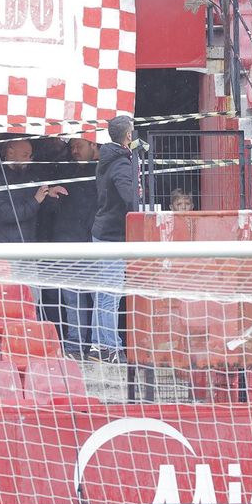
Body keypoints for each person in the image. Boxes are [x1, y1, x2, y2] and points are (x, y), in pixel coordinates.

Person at [37, 134, 99, 355]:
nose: (74, 151)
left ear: (93, 145)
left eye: (79, 146)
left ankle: (95, 343)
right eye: (72, 147)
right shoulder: (65, 172)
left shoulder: (103, 172)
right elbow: (51, 211)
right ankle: (75, 342)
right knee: (71, 297)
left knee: (97, 296)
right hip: (67, 242)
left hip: (93, 243)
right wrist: (52, 196)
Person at [89, 115, 140, 362]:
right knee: (111, 295)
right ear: (128, 136)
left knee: (103, 293)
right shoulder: (121, 164)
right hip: (112, 235)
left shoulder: (109, 159)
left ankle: (99, 345)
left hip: (103, 232)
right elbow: (129, 197)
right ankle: (110, 348)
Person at [0, 139, 64, 244]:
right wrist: (35, 200)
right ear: (10, 153)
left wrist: (49, 193)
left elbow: (43, 208)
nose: (29, 160)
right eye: (25, 155)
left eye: (30, 156)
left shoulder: (29, 177)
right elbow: (6, 214)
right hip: (4, 246)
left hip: (27, 244)